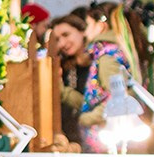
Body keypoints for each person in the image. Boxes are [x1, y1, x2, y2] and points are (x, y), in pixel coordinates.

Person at [46, 12, 135, 149]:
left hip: (105, 138)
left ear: (83, 31)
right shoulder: (66, 67)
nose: (62, 43)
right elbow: (87, 103)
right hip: (78, 139)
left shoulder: (100, 59)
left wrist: (85, 118)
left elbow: (111, 99)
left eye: (66, 35)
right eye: (57, 39)